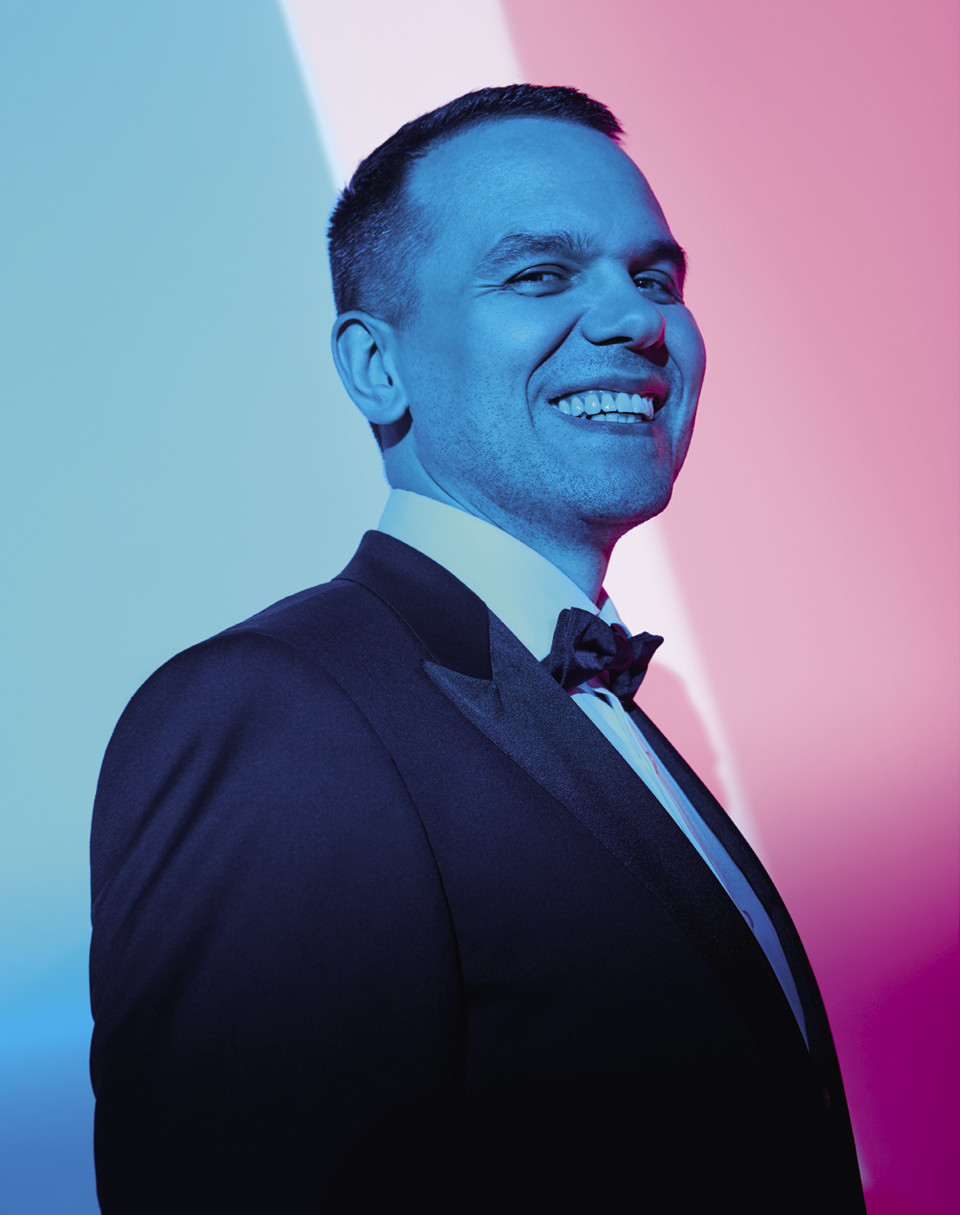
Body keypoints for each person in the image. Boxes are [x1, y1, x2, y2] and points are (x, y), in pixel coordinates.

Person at [90, 85, 866, 1212]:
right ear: (377, 366)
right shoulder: (279, 717)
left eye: (656, 278)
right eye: (541, 275)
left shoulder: (603, 703)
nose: (636, 320)